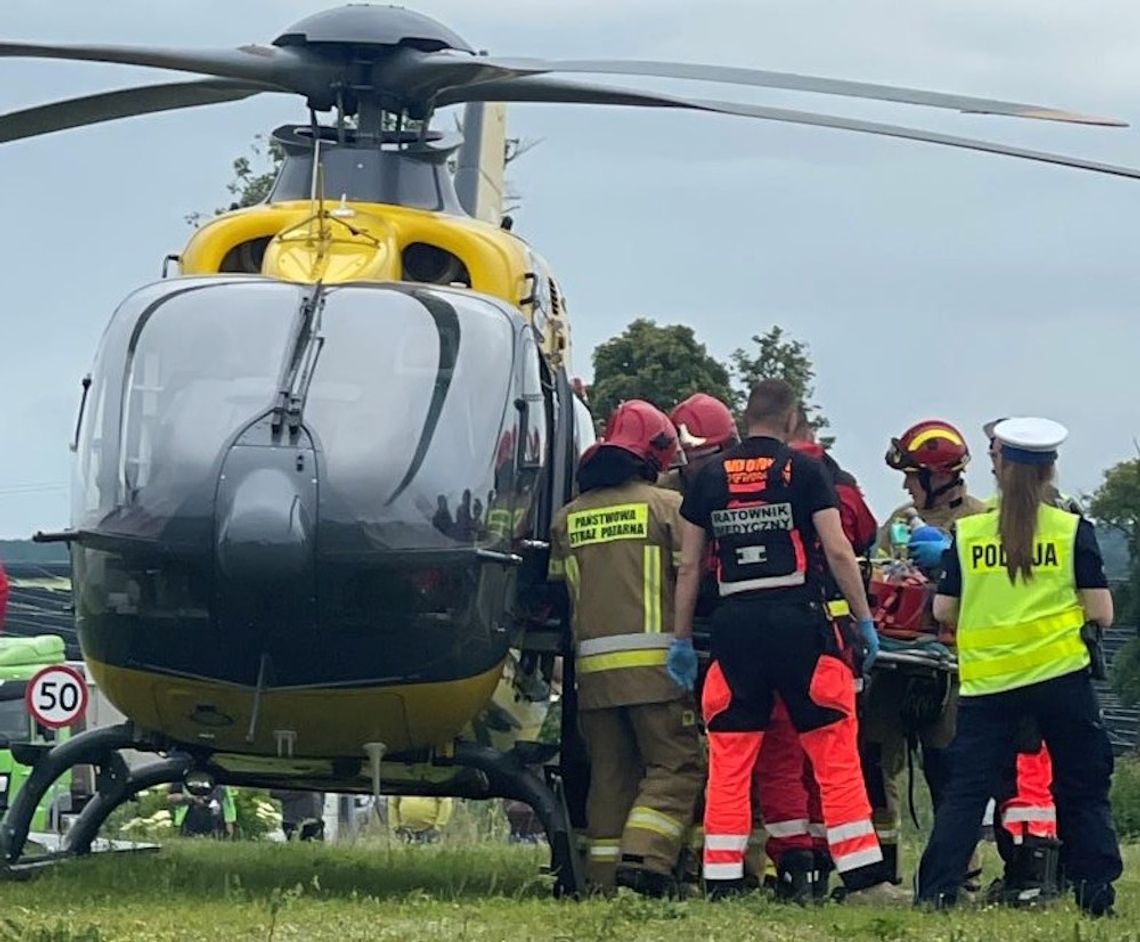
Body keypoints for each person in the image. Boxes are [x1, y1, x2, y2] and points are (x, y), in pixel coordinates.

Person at [676, 379, 906, 903]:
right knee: (832, 747)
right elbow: (840, 551)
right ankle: (865, 880)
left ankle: (722, 880)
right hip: (800, 623)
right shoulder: (803, 471)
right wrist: (865, 623)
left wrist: (681, 638)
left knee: (732, 756)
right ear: (791, 417)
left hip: (735, 628)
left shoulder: (709, 478)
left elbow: (690, 566)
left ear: (745, 416)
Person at [915, 417, 1122, 916]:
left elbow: (943, 611)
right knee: (1081, 787)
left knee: (967, 793)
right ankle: (1094, 894)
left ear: (999, 467)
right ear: (1051, 470)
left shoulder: (968, 534)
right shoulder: (1073, 530)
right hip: (1060, 679)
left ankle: (936, 893)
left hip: (990, 684)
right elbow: (1101, 612)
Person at [548, 399, 704, 898]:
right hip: (657, 670)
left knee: (610, 777)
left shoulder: (567, 518)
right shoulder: (668, 508)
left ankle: (602, 881)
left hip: (592, 675)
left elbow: (556, 593)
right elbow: (694, 577)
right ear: (653, 455)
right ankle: (643, 861)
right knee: (676, 765)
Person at [863, 419, 986, 883]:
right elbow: (877, 577)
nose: (906, 483)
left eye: (913, 475)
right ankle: (881, 867)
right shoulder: (897, 521)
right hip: (898, 660)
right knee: (875, 757)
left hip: (954, 665)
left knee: (948, 766)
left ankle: (961, 870)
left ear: (940, 476)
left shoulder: (981, 522)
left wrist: (954, 561)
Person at [168, 780, 236, 838]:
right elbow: (171, 798)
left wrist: (229, 825)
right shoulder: (182, 776)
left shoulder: (220, 776)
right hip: (188, 828)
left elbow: (227, 802)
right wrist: (191, 798)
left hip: (217, 830)